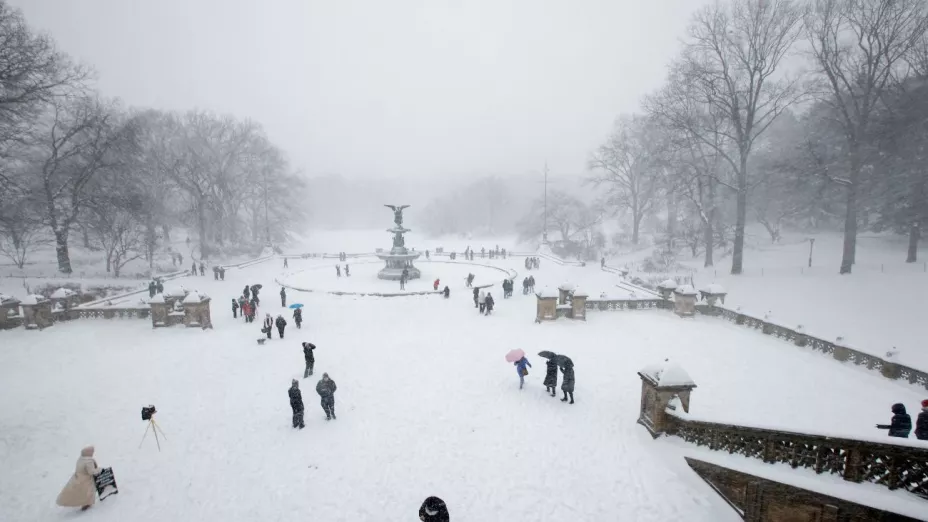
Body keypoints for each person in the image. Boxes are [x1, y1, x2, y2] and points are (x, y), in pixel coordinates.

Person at [56, 446, 101, 511]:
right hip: (86, 480)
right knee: (87, 492)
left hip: (77, 478)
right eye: (92, 452)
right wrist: (99, 469)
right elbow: (91, 472)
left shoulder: (81, 459)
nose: (93, 453)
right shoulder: (88, 461)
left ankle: (83, 503)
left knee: (80, 492)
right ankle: (86, 504)